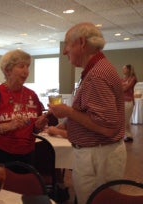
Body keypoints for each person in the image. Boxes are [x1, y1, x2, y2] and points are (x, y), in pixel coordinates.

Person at [49, 22, 126, 204]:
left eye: (67, 44)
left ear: (81, 43)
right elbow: (91, 112)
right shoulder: (98, 69)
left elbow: (106, 126)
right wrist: (67, 122)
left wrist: (68, 111)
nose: (64, 51)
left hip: (97, 156)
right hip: (100, 153)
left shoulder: (96, 75)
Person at [0, 49, 48, 166]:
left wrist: (38, 126)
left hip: (29, 154)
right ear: (8, 70)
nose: (26, 71)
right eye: (21, 66)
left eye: (28, 66)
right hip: (2, 154)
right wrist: (9, 126)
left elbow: (35, 128)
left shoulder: (32, 95)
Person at [122, 64, 137, 142]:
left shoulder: (133, 78)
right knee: (124, 119)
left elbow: (126, 88)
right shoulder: (123, 79)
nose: (123, 70)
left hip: (128, 101)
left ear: (128, 70)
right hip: (122, 101)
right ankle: (128, 135)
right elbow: (121, 87)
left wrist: (122, 87)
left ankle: (128, 136)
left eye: (124, 69)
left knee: (126, 119)